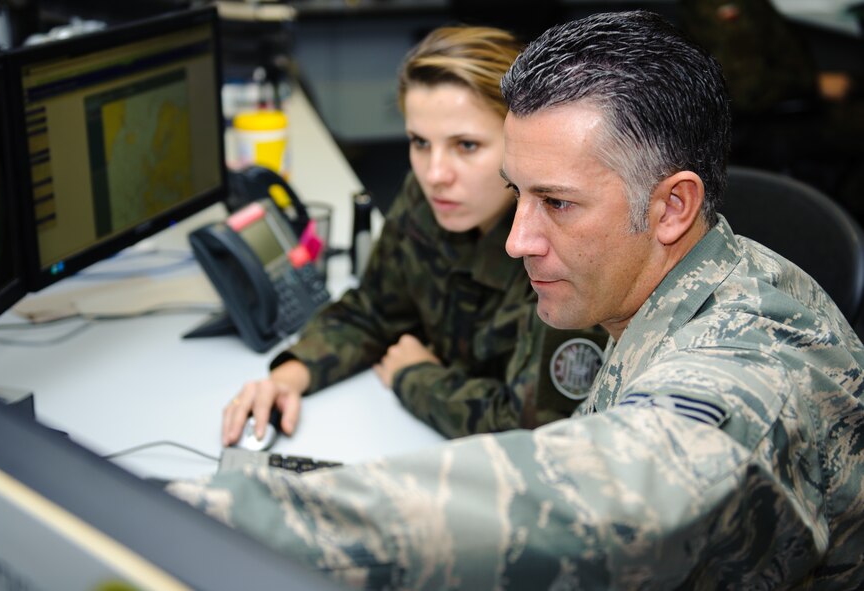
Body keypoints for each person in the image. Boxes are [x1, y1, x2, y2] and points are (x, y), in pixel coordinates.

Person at [169, 10, 864, 589]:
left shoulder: (749, 363)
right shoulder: (650, 290)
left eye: (557, 202)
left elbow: (607, 495)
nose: (517, 239)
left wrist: (221, 517)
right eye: (517, 190)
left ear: (672, 206)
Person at [222, 25, 607, 445]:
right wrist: (288, 377)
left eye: (466, 145)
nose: (435, 174)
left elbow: (531, 428)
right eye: (419, 143)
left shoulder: (560, 246)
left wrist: (415, 377)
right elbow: (374, 311)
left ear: (520, 145)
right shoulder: (430, 201)